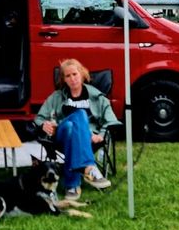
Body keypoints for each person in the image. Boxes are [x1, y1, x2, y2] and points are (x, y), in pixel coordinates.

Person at [34, 58, 119, 200]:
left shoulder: (98, 97)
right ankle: (88, 167)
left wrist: (102, 134)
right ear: (64, 79)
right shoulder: (56, 97)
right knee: (77, 116)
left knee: (71, 126)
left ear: (82, 74)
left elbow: (111, 120)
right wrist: (44, 124)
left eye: (75, 74)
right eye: (68, 76)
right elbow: (39, 118)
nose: (72, 79)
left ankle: (72, 184)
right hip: (60, 135)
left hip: (85, 137)